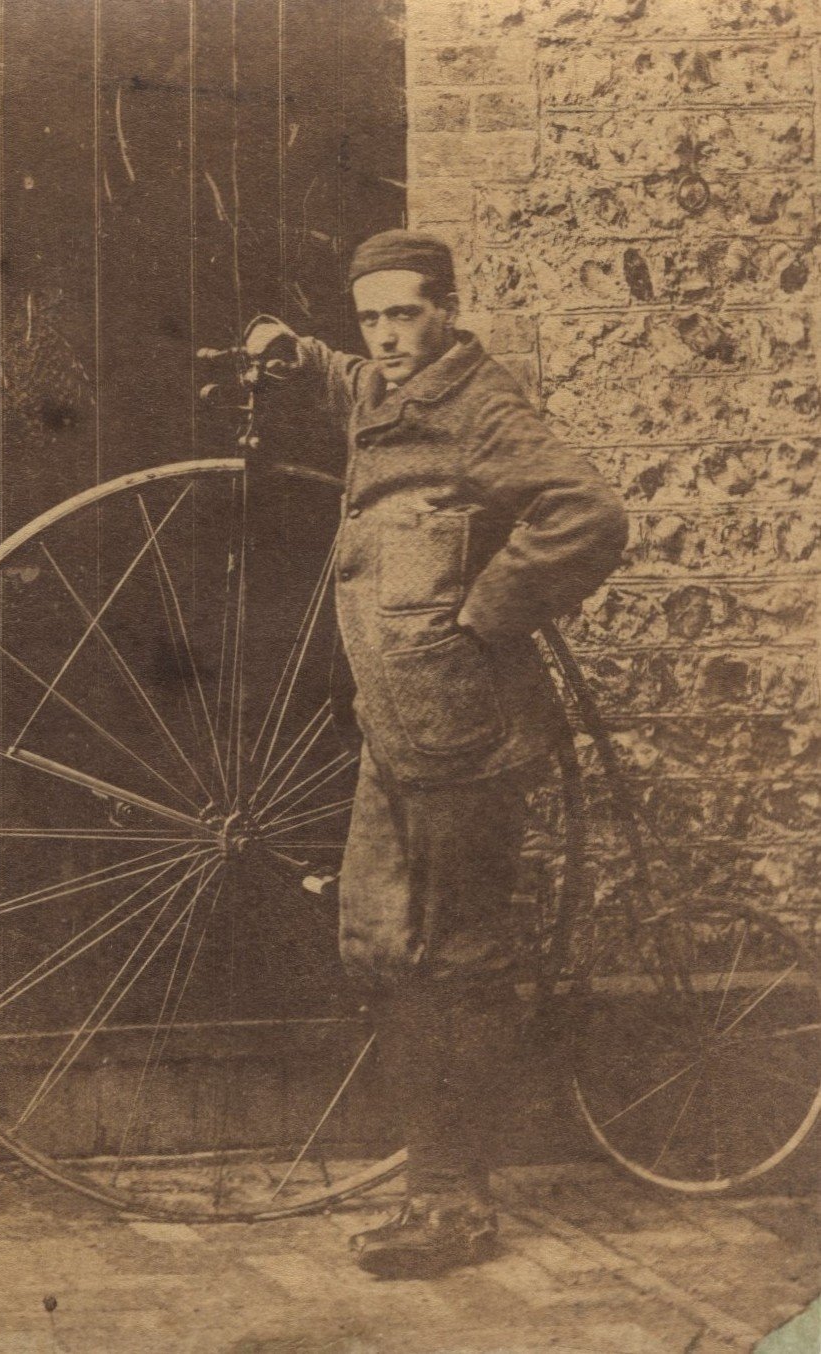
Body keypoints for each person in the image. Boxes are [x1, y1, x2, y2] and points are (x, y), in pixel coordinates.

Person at [243, 229, 626, 1279]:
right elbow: (354, 379)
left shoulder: (482, 407)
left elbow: (587, 513)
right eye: (371, 317)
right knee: (380, 942)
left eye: (406, 312)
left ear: (449, 309)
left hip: (468, 732)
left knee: (456, 952)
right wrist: (297, 350)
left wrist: (485, 614)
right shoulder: (385, 388)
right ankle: (428, 1182)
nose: (388, 335)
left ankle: (457, 1201)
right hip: (396, 726)